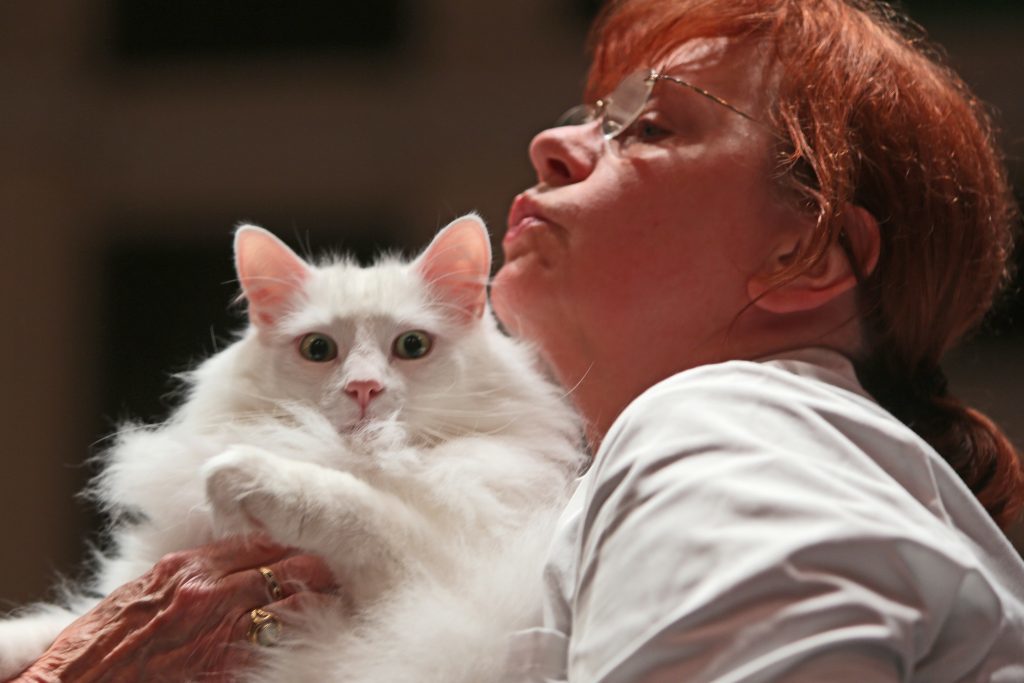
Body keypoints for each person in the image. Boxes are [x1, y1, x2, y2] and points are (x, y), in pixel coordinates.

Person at [9, 0, 1024, 680]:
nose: (554, 140)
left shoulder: (727, 421)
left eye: (653, 126)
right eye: (588, 114)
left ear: (803, 253)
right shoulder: (689, 471)